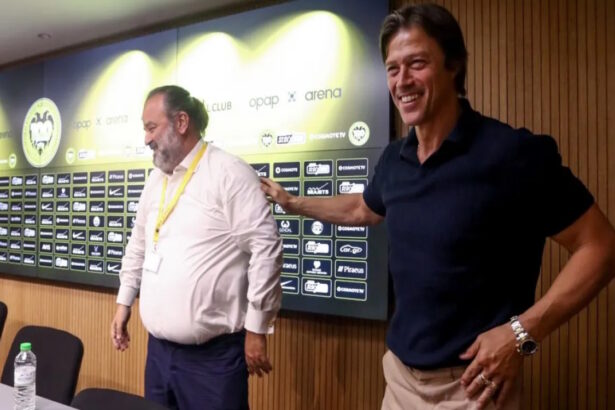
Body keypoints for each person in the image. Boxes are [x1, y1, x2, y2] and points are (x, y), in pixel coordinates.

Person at [260, 4, 615, 409]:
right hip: (399, 382)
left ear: (454, 66)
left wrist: (521, 333)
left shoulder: (512, 154)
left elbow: (600, 246)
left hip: (473, 390)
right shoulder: (395, 160)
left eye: (417, 63)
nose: (402, 81)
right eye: (393, 69)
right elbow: (363, 208)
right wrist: (293, 202)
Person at [111, 85, 282, 410]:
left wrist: (257, 328)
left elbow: (266, 247)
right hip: (158, 354)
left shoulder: (228, 173)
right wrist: (124, 303)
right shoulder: (155, 181)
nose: (146, 139)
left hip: (213, 361)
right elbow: (138, 245)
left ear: (181, 122)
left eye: (151, 128)